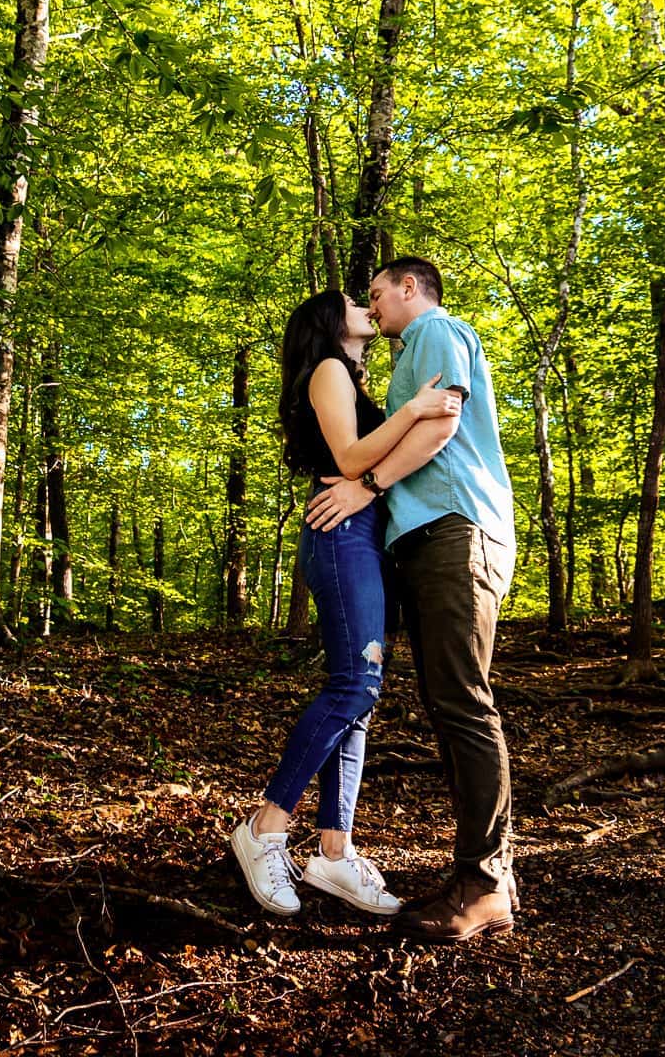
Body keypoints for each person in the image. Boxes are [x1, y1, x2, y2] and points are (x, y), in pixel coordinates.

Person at [227, 287, 464, 919]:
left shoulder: (351, 378)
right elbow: (352, 458)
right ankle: (265, 828)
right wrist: (416, 408)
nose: (368, 306)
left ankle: (334, 853)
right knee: (351, 687)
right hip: (343, 535)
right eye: (356, 302)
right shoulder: (328, 368)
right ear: (330, 322)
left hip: (369, 535)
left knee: (363, 699)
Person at [305, 256, 517, 943]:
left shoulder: (433, 329)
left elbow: (441, 424)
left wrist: (367, 488)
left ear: (408, 289)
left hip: (456, 529)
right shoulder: (406, 357)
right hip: (432, 538)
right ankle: (486, 878)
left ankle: (484, 884)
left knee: (462, 700)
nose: (374, 308)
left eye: (377, 295)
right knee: (449, 703)